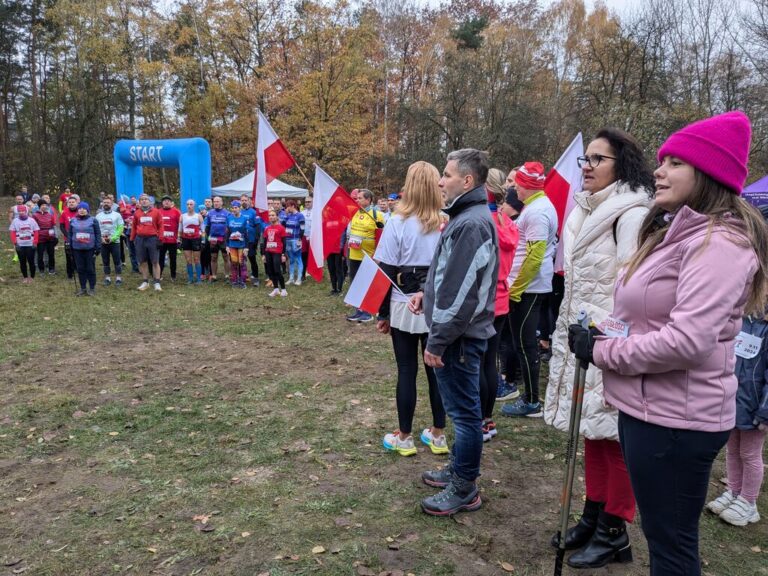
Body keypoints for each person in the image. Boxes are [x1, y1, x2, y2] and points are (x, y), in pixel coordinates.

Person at [568, 111, 768, 575]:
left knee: (672, 550)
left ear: (709, 173)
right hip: (651, 409)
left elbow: (687, 342)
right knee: (664, 541)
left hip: (677, 421)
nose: (659, 171)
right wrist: (603, 333)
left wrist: (601, 351)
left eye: (675, 162)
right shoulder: (677, 232)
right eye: (662, 161)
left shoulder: (719, 244)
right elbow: (643, 318)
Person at [543, 128, 654, 568]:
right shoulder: (587, 209)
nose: (586, 166)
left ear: (620, 164)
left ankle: (614, 529)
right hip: (584, 338)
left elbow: (634, 292)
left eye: (597, 159)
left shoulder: (631, 214)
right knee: (593, 430)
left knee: (615, 436)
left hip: (610, 342)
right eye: (585, 159)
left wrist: (607, 336)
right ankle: (593, 515)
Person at [413, 149, 498, 516]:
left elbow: (462, 292)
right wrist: (426, 294)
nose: (440, 181)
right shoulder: (465, 217)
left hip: (459, 339)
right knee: (460, 411)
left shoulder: (471, 224)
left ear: (467, 180)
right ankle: (458, 470)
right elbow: (448, 276)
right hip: (457, 335)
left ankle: (465, 486)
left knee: (464, 416)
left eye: (446, 175)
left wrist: (438, 339)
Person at [375, 161, 447, 457]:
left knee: (407, 370)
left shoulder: (397, 222)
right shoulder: (446, 221)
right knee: (436, 371)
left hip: (404, 302)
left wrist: (383, 313)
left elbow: (386, 269)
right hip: (436, 303)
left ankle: (404, 437)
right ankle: (438, 434)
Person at [501, 162, 558, 418]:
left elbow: (535, 256)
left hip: (528, 288)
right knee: (522, 343)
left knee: (525, 345)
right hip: (527, 286)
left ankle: (532, 401)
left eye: (517, 185)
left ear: (527, 186)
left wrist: (516, 288)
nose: (514, 189)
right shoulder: (536, 207)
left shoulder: (537, 211)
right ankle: (531, 397)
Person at [706, 304, 768, 527]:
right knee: (732, 450)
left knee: (750, 453)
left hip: (755, 406)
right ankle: (734, 491)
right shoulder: (741, 319)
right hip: (733, 400)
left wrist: (765, 411)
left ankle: (748, 502)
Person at [480, 169, 519, 442]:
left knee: (478, 363)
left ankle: (479, 420)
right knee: (490, 361)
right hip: (502, 298)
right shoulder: (508, 223)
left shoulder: (484, 223)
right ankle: (487, 418)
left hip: (484, 299)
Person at [346, 189, 385, 322]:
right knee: (355, 283)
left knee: (367, 284)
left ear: (368, 200)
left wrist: (377, 255)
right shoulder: (355, 213)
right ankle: (358, 310)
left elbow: (382, 236)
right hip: (354, 253)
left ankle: (368, 312)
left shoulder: (377, 215)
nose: (357, 200)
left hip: (368, 256)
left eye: (360, 198)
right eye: (357, 198)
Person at [130, 193, 163, 292]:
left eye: (146, 199)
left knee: (155, 261)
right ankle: (145, 282)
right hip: (140, 239)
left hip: (153, 239)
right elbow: (134, 226)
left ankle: (157, 282)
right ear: (139, 202)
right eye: (142, 199)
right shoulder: (137, 213)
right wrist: (132, 239)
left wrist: (160, 238)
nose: (144, 201)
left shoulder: (156, 212)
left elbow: (161, 226)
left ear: (149, 201)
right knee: (142, 261)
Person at [69, 202, 102, 296]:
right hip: (77, 249)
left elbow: (98, 234)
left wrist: (98, 246)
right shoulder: (73, 220)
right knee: (80, 269)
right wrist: (70, 247)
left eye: (84, 209)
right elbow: (70, 234)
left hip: (90, 249)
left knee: (90, 269)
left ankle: (92, 288)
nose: (82, 210)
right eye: (80, 208)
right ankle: (83, 288)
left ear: (87, 210)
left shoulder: (93, 220)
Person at [95, 197, 125, 286]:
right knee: (105, 260)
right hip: (103, 241)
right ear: (102, 204)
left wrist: (113, 238)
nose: (106, 204)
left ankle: (118, 278)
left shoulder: (117, 215)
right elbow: (96, 229)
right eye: (104, 202)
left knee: (117, 260)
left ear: (112, 204)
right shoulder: (98, 216)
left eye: (108, 202)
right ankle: (107, 278)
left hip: (115, 241)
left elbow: (120, 228)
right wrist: (101, 238)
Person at [9, 205, 39, 283]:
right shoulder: (15, 221)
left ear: (26, 211)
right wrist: (15, 243)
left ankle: (32, 277)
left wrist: (35, 242)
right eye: (19, 211)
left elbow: (36, 231)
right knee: (22, 262)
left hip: (30, 244)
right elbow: (12, 232)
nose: (21, 212)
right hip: (20, 245)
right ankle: (25, 277)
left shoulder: (31, 220)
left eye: (23, 211)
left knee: (31, 261)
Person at [262, 209, 287, 297]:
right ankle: (276, 289)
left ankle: (283, 290)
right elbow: (265, 241)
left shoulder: (281, 228)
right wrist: (264, 254)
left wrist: (283, 254)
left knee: (277, 270)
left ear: (277, 217)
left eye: (273, 215)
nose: (271, 217)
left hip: (277, 252)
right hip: (268, 252)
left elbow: (284, 242)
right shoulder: (267, 228)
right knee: (271, 271)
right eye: (270, 215)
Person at [239, 195, 262, 286]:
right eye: (242, 200)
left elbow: (258, 226)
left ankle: (255, 278)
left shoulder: (253, 212)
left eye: (245, 200)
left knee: (252, 259)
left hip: (251, 240)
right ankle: (242, 276)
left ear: (249, 201)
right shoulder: (238, 211)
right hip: (240, 240)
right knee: (241, 259)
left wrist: (256, 240)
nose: (244, 202)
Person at [205, 196, 230, 282]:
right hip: (213, 239)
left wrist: (227, 238)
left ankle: (227, 276)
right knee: (213, 257)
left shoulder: (227, 213)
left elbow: (229, 227)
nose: (216, 203)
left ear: (222, 202)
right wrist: (208, 237)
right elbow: (207, 226)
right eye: (214, 201)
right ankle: (214, 276)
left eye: (218, 201)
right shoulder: (210, 213)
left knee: (226, 257)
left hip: (223, 239)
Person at [180, 200, 204, 284]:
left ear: (194, 205)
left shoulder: (198, 216)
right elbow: (180, 229)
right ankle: (190, 279)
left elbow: (203, 229)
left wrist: (203, 240)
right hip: (186, 239)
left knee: (196, 259)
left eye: (191, 204)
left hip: (196, 239)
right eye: (187, 204)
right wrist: (178, 239)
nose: (189, 206)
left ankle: (198, 279)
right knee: (188, 260)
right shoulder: (182, 216)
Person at [226, 200, 249, 288]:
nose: (234, 209)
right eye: (233, 208)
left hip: (241, 245)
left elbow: (246, 234)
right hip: (232, 245)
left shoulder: (244, 219)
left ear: (240, 208)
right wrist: (227, 245)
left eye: (236, 208)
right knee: (234, 263)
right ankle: (234, 281)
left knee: (242, 263)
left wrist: (246, 247)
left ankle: (242, 281)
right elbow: (227, 233)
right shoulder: (229, 218)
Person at [158, 195, 181, 282]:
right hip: (161, 240)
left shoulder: (176, 212)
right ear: (162, 203)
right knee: (160, 258)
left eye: (168, 201)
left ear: (171, 203)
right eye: (165, 201)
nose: (166, 202)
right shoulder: (158, 211)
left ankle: (173, 275)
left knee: (173, 258)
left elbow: (180, 224)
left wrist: (179, 237)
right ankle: (159, 275)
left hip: (173, 240)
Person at [283, 199, 305, 285]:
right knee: (291, 259)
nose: (287, 209)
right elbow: (283, 225)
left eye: (288, 207)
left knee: (298, 258)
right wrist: (285, 215)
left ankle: (299, 279)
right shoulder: (288, 215)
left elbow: (302, 229)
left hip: (296, 240)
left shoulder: (300, 216)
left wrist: (300, 239)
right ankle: (291, 278)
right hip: (288, 240)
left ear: (293, 206)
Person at [33, 199, 57, 275]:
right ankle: (41, 269)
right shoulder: (35, 215)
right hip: (40, 238)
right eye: (42, 205)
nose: (44, 206)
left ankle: (51, 269)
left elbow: (53, 226)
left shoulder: (50, 215)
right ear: (39, 206)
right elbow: (34, 228)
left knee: (51, 254)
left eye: (45, 205)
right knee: (40, 254)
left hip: (50, 237)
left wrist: (55, 236)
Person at [59, 195, 80, 280]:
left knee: (78, 255)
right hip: (68, 238)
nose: (71, 203)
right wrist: (67, 235)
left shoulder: (80, 211)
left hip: (79, 238)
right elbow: (61, 226)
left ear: (77, 203)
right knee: (69, 256)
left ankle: (78, 269)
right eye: (69, 202)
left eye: (73, 202)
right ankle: (70, 274)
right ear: (67, 203)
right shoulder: (64, 212)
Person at [300, 196, 312, 282]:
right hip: (304, 237)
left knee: (311, 256)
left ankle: (312, 271)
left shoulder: (317, 212)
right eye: (306, 202)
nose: (307, 203)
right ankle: (303, 274)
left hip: (313, 237)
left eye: (309, 201)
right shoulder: (302, 213)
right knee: (303, 255)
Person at [199, 205, 211, 281]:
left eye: (203, 209)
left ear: (206, 210)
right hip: (200, 240)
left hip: (209, 240)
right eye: (200, 210)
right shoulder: (198, 217)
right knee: (202, 256)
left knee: (209, 256)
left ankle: (209, 273)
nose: (201, 211)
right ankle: (202, 272)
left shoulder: (209, 217)